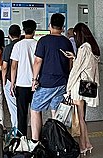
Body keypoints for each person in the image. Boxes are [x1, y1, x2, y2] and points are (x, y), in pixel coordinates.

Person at [30, 13, 74, 142]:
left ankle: (35, 141)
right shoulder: (66, 42)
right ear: (63, 27)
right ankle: (55, 140)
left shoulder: (43, 41)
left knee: (35, 109)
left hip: (46, 82)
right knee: (56, 110)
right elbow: (70, 63)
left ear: (50, 25)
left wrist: (34, 79)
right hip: (62, 82)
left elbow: (38, 61)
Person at [63, 22, 100, 155]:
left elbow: (76, 70)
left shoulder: (83, 48)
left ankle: (84, 145)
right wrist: (74, 57)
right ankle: (87, 143)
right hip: (88, 86)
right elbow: (87, 65)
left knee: (80, 118)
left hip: (79, 87)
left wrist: (67, 88)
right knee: (82, 117)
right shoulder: (92, 48)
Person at [10, 20, 38, 137]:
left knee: (21, 114)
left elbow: (13, 66)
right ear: (34, 31)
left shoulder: (18, 45)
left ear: (23, 30)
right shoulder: (38, 44)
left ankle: (22, 139)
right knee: (36, 113)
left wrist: (12, 83)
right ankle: (36, 138)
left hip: (21, 84)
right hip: (36, 84)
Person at [1, 24, 22, 130]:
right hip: (24, 80)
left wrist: (4, 81)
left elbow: (4, 67)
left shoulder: (8, 48)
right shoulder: (23, 45)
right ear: (20, 33)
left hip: (10, 80)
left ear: (9, 35)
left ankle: (16, 129)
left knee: (13, 108)